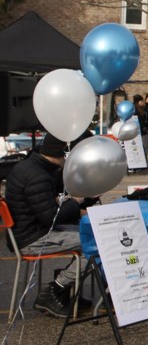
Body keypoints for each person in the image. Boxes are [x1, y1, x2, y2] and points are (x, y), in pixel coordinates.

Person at [4, 131, 97, 317]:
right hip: (32, 239)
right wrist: (77, 203)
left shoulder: (33, 167)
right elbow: (51, 217)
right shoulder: (37, 176)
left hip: (31, 232)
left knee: (92, 234)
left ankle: (65, 291)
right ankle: (56, 288)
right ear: (64, 153)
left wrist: (84, 200)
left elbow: (51, 207)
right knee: (97, 243)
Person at [132, 94, 148, 172]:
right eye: (141, 101)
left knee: (146, 147)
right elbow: (139, 121)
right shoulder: (135, 110)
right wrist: (144, 128)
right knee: (142, 147)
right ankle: (141, 163)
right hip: (141, 132)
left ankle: (144, 162)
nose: (143, 102)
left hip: (147, 130)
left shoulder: (145, 109)